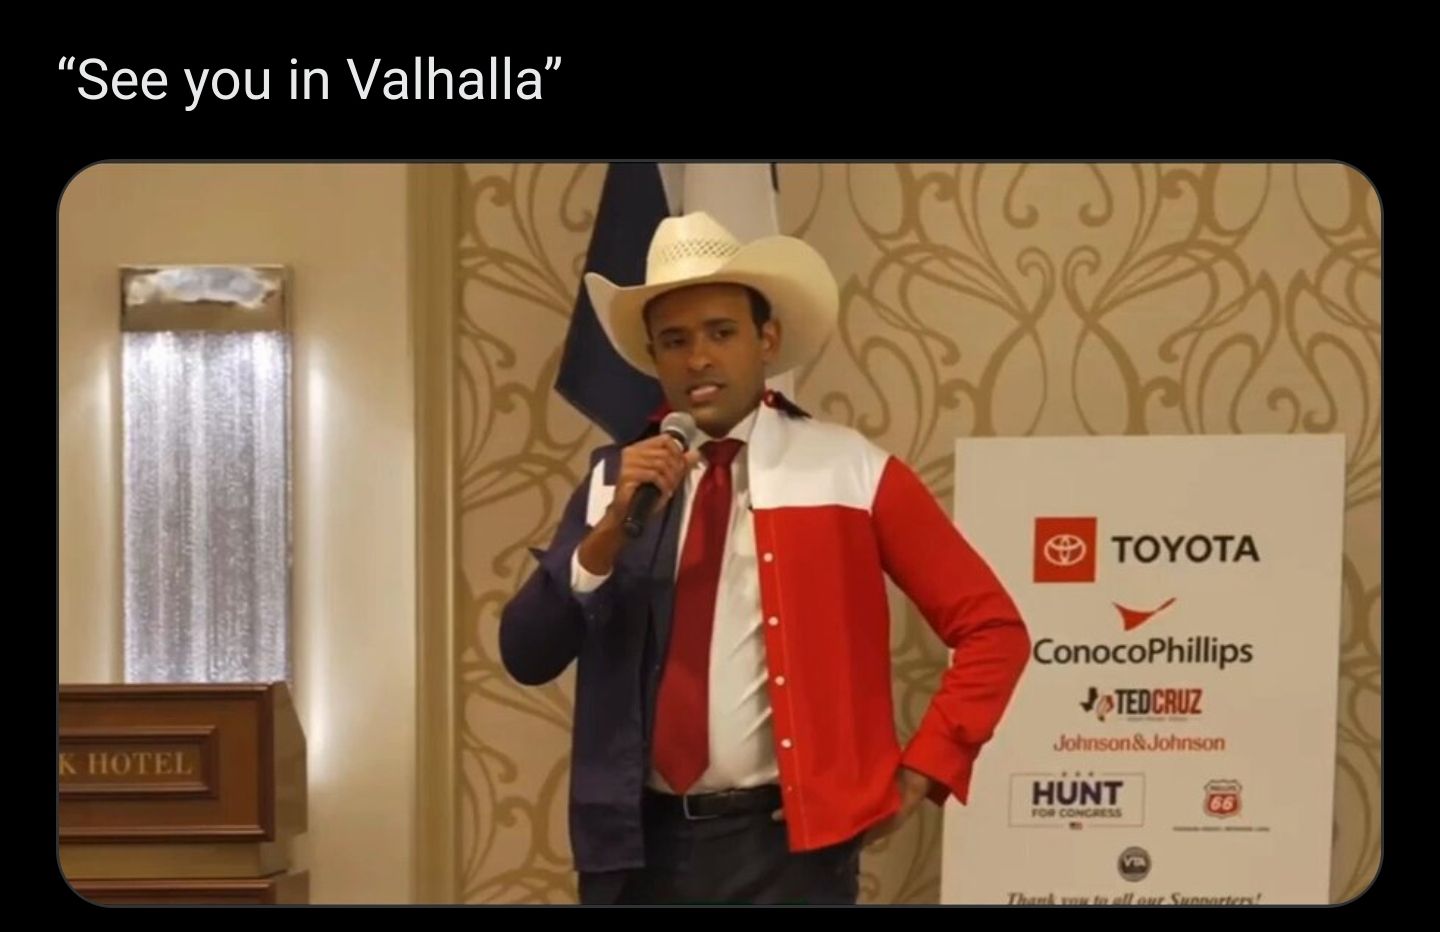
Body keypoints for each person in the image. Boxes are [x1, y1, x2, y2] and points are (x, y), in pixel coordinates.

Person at [499, 211, 1030, 905]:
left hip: (787, 854)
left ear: (767, 339)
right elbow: (527, 653)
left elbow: (994, 629)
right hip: (634, 848)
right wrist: (606, 536)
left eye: (721, 333)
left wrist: (924, 769)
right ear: (653, 357)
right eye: (675, 341)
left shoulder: (850, 470)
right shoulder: (614, 480)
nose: (698, 359)